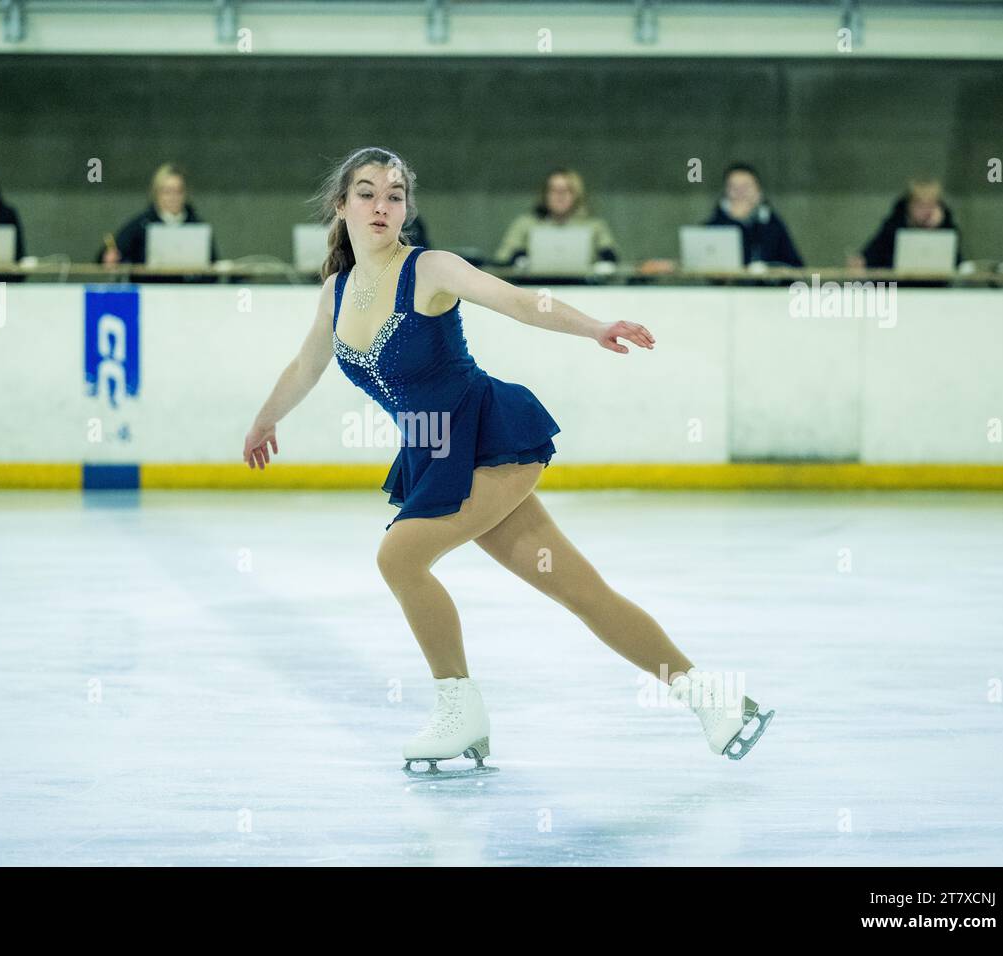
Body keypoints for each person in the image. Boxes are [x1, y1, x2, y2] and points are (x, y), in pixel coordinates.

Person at [242, 147, 773, 776]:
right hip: (438, 455)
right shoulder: (336, 292)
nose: (381, 205)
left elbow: (522, 302)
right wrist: (265, 418)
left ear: (407, 207)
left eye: (394, 194)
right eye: (366, 193)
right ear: (342, 205)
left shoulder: (431, 268)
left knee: (399, 555)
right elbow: (307, 365)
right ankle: (716, 701)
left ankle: (459, 709)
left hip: (490, 440)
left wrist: (596, 326)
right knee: (582, 592)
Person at [96, 163, 221, 265]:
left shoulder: (197, 226)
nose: (173, 197)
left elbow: (213, 264)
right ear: (156, 193)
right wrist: (109, 257)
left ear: (185, 194)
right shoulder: (141, 225)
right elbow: (112, 253)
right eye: (167, 191)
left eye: (178, 191)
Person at [494, 167, 619, 267]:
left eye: (566, 190)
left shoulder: (595, 226)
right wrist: (517, 257)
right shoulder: (525, 224)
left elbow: (611, 259)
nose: (560, 196)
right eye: (554, 190)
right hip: (534, 289)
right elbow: (502, 259)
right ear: (545, 194)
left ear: (577, 195)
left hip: (583, 289)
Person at [704, 163, 803, 267]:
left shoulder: (771, 223)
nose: (740, 193)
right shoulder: (714, 225)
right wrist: (734, 221)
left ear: (758, 190)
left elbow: (795, 265)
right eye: (734, 187)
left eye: (746, 187)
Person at [852, 176, 962, 269]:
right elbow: (872, 256)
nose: (926, 212)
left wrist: (938, 229)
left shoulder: (948, 228)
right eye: (921, 205)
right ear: (909, 205)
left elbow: (957, 264)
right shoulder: (893, 226)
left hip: (937, 292)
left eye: (931, 205)